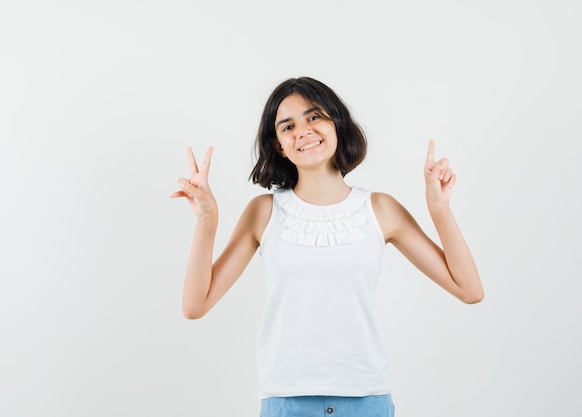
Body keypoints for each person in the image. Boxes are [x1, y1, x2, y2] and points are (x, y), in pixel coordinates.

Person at [171, 76, 483, 417]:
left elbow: (469, 289)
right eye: (287, 125)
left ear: (336, 122)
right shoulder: (263, 212)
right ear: (279, 145)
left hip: (367, 400)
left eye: (314, 116)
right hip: (286, 401)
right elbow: (195, 305)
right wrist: (206, 220)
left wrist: (439, 209)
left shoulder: (380, 209)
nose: (303, 130)